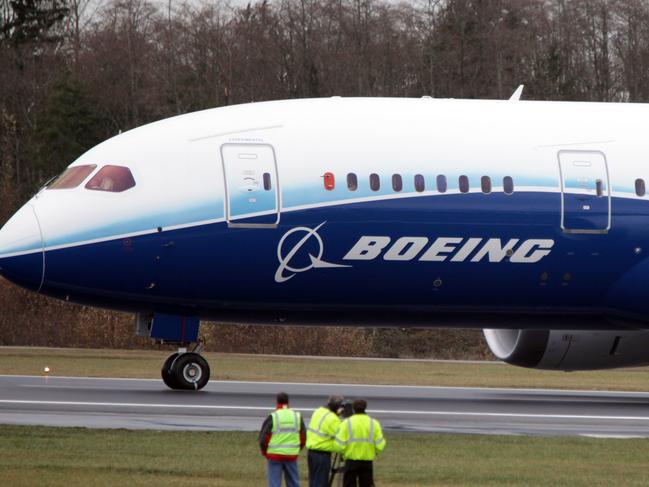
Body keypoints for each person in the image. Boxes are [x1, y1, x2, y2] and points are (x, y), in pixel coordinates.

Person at [334, 398, 386, 487]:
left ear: (353, 409)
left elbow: (339, 444)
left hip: (351, 460)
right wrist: (375, 451)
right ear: (365, 408)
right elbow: (380, 445)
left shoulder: (347, 423)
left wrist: (343, 452)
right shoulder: (374, 423)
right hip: (367, 461)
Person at [259, 392, 307, 487]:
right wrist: (296, 449)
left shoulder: (273, 416)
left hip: (274, 455)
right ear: (288, 402)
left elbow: (263, 439)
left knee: (274, 484)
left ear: (277, 402)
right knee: (294, 483)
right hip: (291, 455)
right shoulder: (296, 416)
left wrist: (265, 452)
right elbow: (303, 437)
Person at [306, 395, 344, 487]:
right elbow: (342, 436)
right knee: (321, 483)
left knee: (313, 481)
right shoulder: (333, 419)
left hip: (311, 452)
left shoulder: (318, 411)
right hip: (322, 455)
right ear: (338, 407)